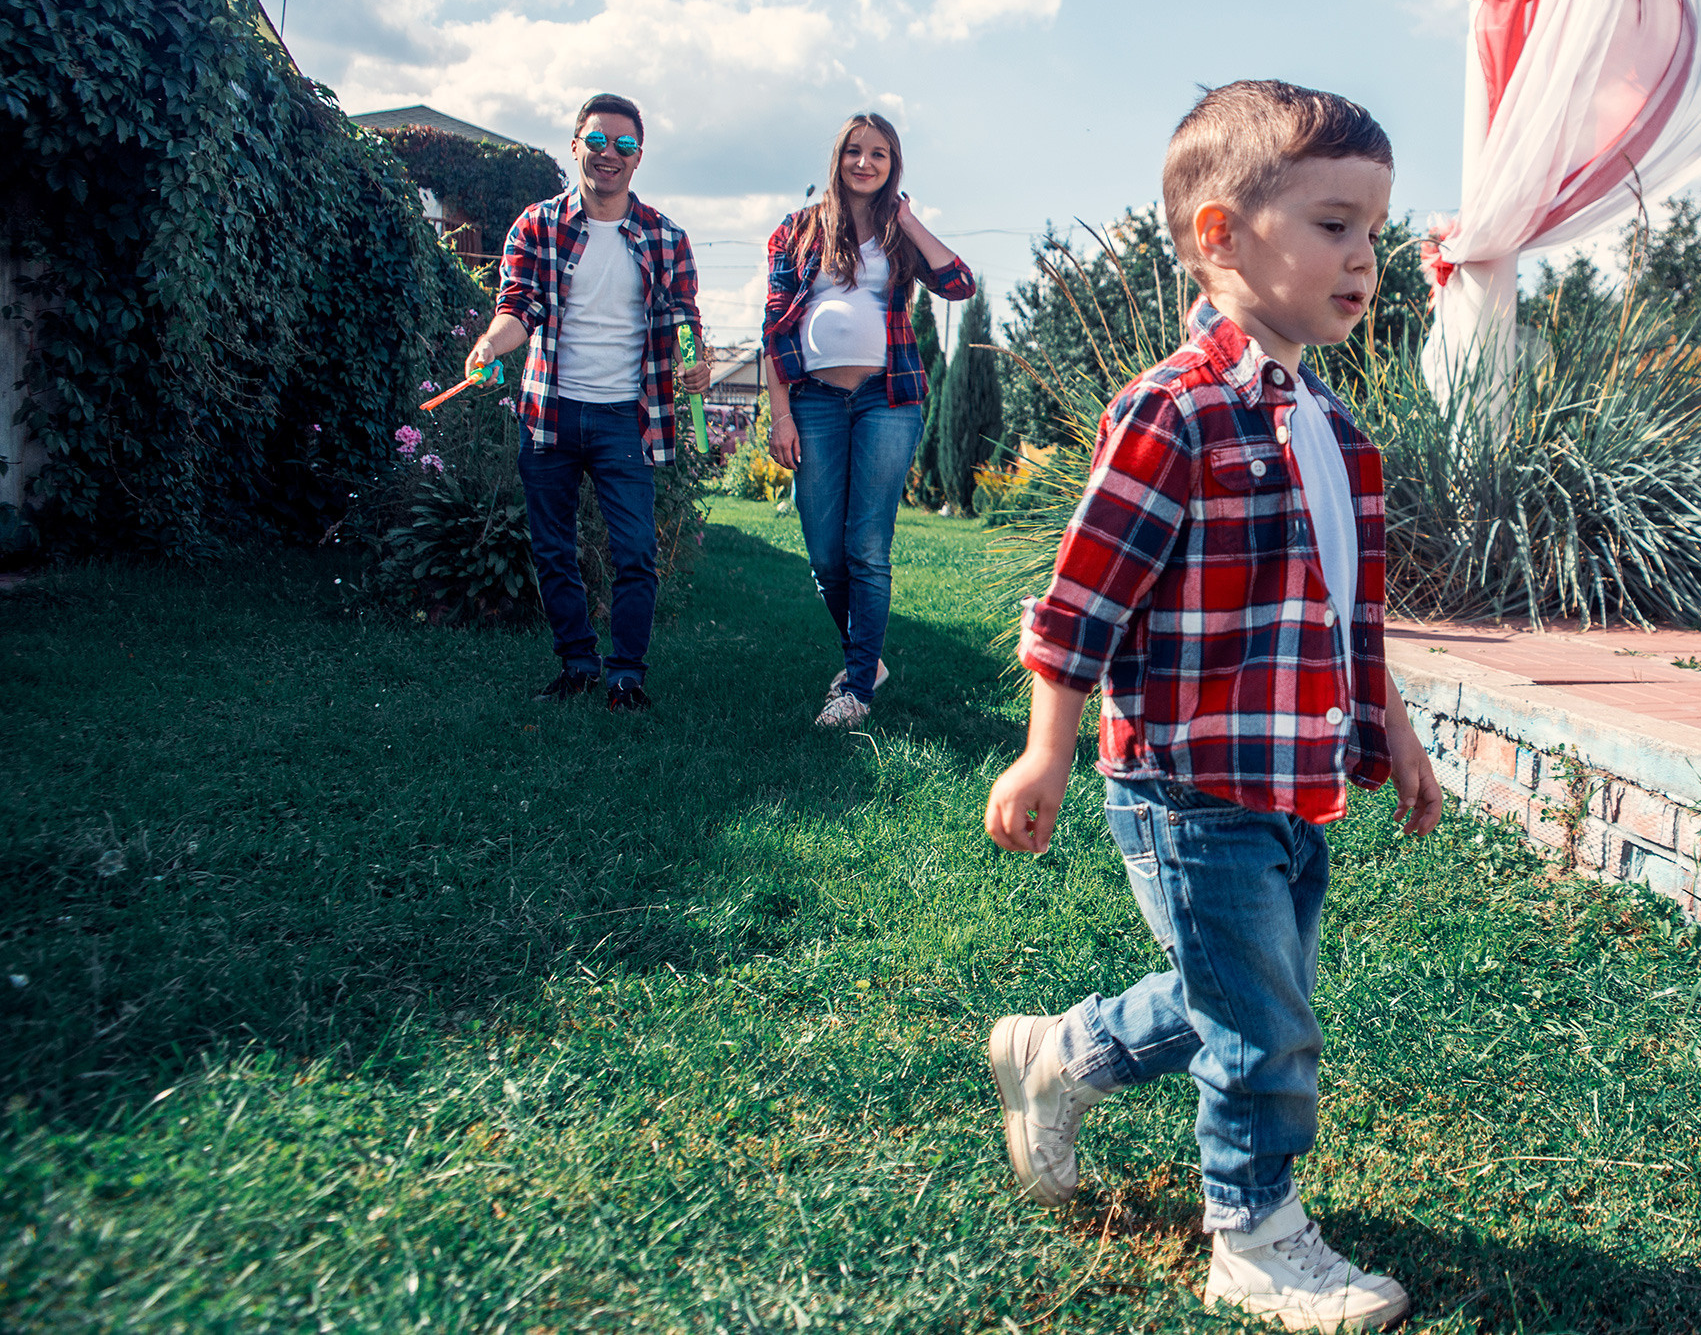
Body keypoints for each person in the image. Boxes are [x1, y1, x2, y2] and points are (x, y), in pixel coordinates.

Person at [982, 81, 1442, 1332]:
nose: (1364, 258)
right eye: (1334, 225)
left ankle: (1055, 1053)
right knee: (1262, 1020)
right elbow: (1083, 600)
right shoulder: (1174, 411)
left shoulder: (1338, 434)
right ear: (1221, 235)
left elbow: (1349, 613)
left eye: (1374, 234)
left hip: (1293, 770)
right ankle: (1253, 1232)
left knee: (1232, 991)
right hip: (1187, 779)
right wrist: (1044, 757)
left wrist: (1390, 726)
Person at [463, 92, 709, 712]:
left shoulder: (666, 237)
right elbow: (517, 307)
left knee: (634, 552)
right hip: (550, 413)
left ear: (638, 158)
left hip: (626, 417)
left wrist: (694, 362)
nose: (609, 155)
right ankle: (577, 663)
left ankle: (625, 674)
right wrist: (489, 346)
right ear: (575, 145)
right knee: (552, 548)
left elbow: (683, 321)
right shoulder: (537, 225)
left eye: (624, 146)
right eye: (597, 141)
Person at [760, 112, 975, 729]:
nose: (864, 163)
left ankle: (856, 688)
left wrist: (907, 219)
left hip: (888, 398)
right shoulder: (796, 231)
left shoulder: (897, 232)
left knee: (866, 546)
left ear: (892, 165)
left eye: (878, 154)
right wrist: (781, 413)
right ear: (838, 159)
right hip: (816, 402)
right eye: (854, 151)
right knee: (825, 553)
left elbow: (959, 285)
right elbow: (775, 330)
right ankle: (869, 658)